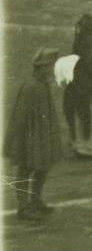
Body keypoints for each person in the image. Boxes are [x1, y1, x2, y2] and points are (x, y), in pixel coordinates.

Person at [6, 51, 62, 220]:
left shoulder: (41, 83)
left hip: (41, 133)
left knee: (43, 166)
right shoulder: (31, 86)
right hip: (29, 136)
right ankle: (23, 207)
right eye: (51, 65)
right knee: (25, 168)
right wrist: (22, 142)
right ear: (43, 67)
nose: (53, 69)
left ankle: (35, 200)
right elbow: (21, 117)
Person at [62, 17, 92, 158]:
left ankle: (89, 147)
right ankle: (82, 145)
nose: (76, 30)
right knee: (81, 113)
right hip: (79, 83)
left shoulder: (91, 43)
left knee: (88, 113)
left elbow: (88, 64)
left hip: (86, 85)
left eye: (79, 27)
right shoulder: (84, 40)